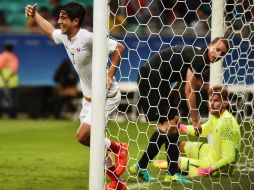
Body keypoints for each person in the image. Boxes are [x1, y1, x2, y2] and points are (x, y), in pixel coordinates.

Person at [25, 2, 127, 190]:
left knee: (83, 135)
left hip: (107, 96)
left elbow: (119, 47)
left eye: (63, 18)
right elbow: (50, 31)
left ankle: (118, 147)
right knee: (87, 140)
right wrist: (35, 15)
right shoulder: (65, 36)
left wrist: (109, 75)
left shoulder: (88, 38)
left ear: (75, 21)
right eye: (60, 17)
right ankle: (117, 182)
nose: (59, 21)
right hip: (88, 99)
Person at [130, 37, 229, 183]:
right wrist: (195, 120)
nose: (218, 54)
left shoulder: (199, 60)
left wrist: (173, 103)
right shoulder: (199, 59)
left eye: (222, 54)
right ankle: (144, 166)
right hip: (151, 78)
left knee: (173, 124)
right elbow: (189, 90)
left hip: (160, 81)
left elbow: (181, 84)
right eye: (217, 49)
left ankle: (168, 172)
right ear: (210, 45)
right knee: (169, 124)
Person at [178, 85, 241, 177]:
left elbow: (229, 157)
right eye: (210, 100)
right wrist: (180, 127)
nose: (211, 104)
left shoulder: (228, 123)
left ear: (225, 103)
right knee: (180, 145)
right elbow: (201, 130)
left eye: (216, 101)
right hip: (209, 152)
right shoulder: (215, 117)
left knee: (176, 162)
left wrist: (209, 170)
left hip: (216, 168)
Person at [0, 44, 20, 119]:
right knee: (13, 100)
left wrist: (4, 78)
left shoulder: (1, 56)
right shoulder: (14, 57)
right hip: (12, 82)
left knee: (1, 99)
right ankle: (13, 115)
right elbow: (14, 70)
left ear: (4, 48)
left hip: (1, 82)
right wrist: (8, 78)